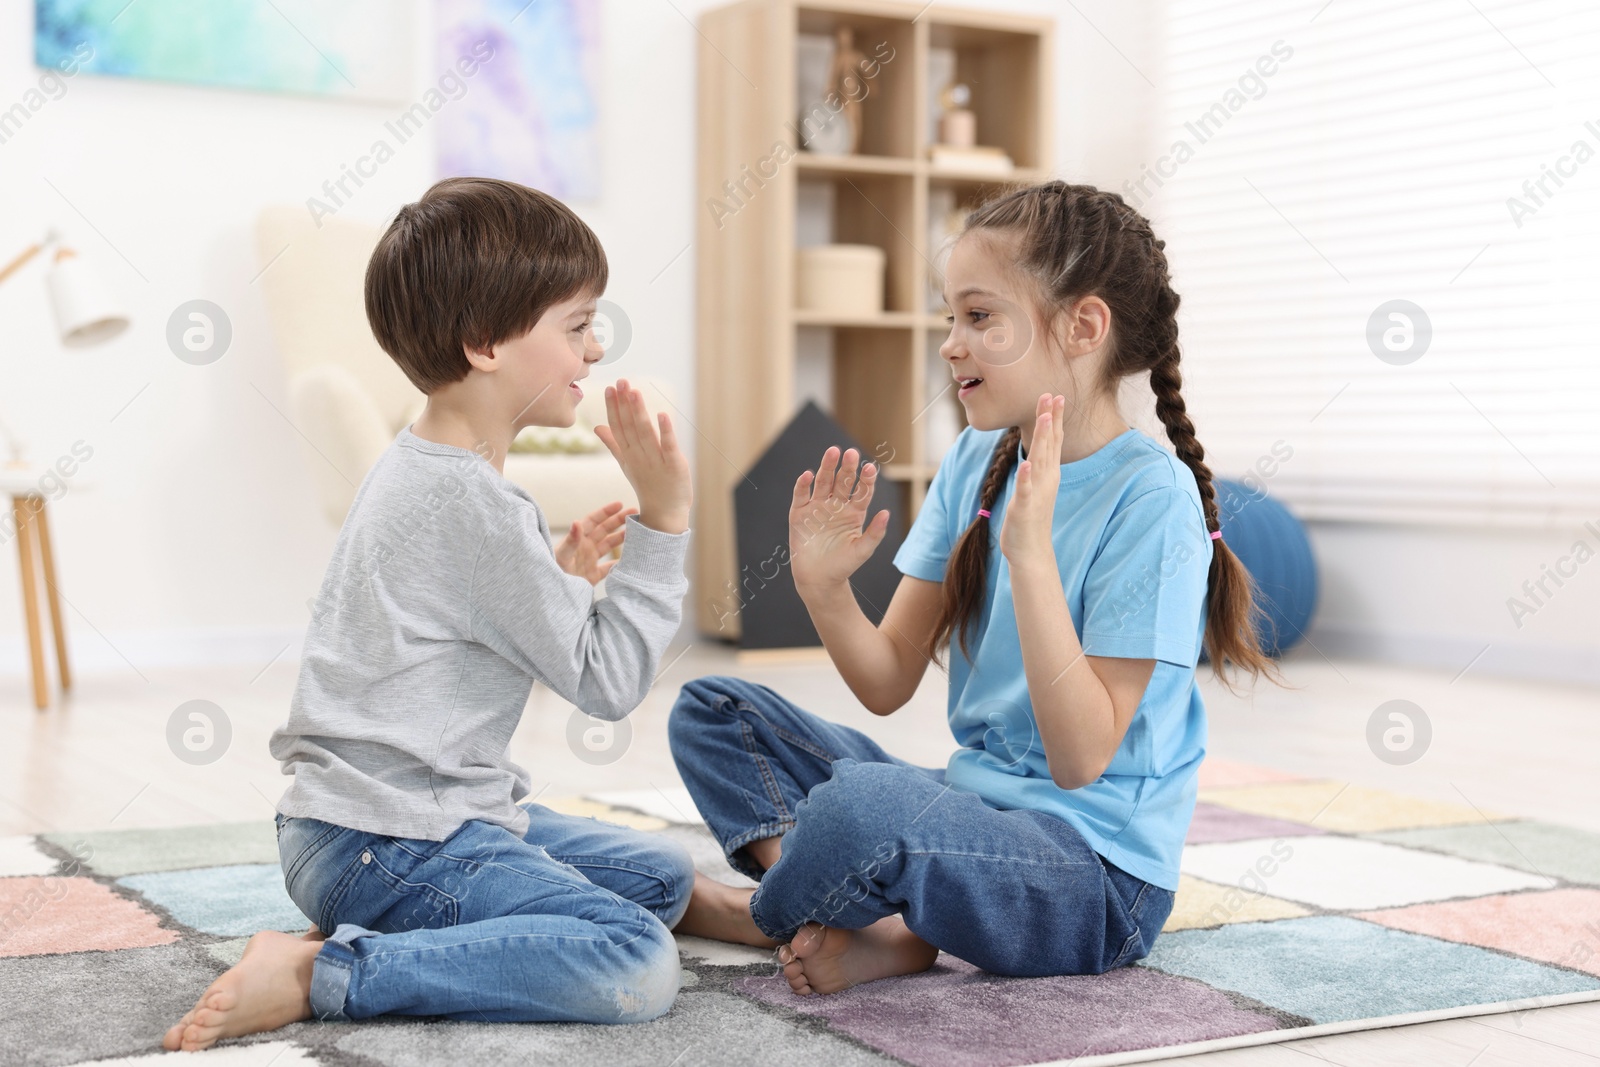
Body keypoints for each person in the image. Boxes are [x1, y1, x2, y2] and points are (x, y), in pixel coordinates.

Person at [670, 180, 1276, 995]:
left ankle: (765, 908)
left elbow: (1079, 758)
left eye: (980, 317)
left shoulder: (1152, 500)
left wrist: (1031, 560)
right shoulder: (976, 459)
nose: (951, 343)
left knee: (862, 809)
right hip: (977, 810)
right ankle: (873, 920)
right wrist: (824, 591)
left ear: (1082, 326)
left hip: (1094, 876)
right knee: (715, 712)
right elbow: (886, 681)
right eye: (951, 317)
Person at [165, 177, 700, 1050]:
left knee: (660, 871)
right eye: (576, 325)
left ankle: (365, 933)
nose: (595, 349)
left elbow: (462, 645)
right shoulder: (478, 506)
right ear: (485, 342)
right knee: (633, 954)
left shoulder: (423, 466)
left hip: (354, 827)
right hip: (391, 841)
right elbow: (606, 685)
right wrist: (666, 523)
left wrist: (557, 576)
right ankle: (322, 972)